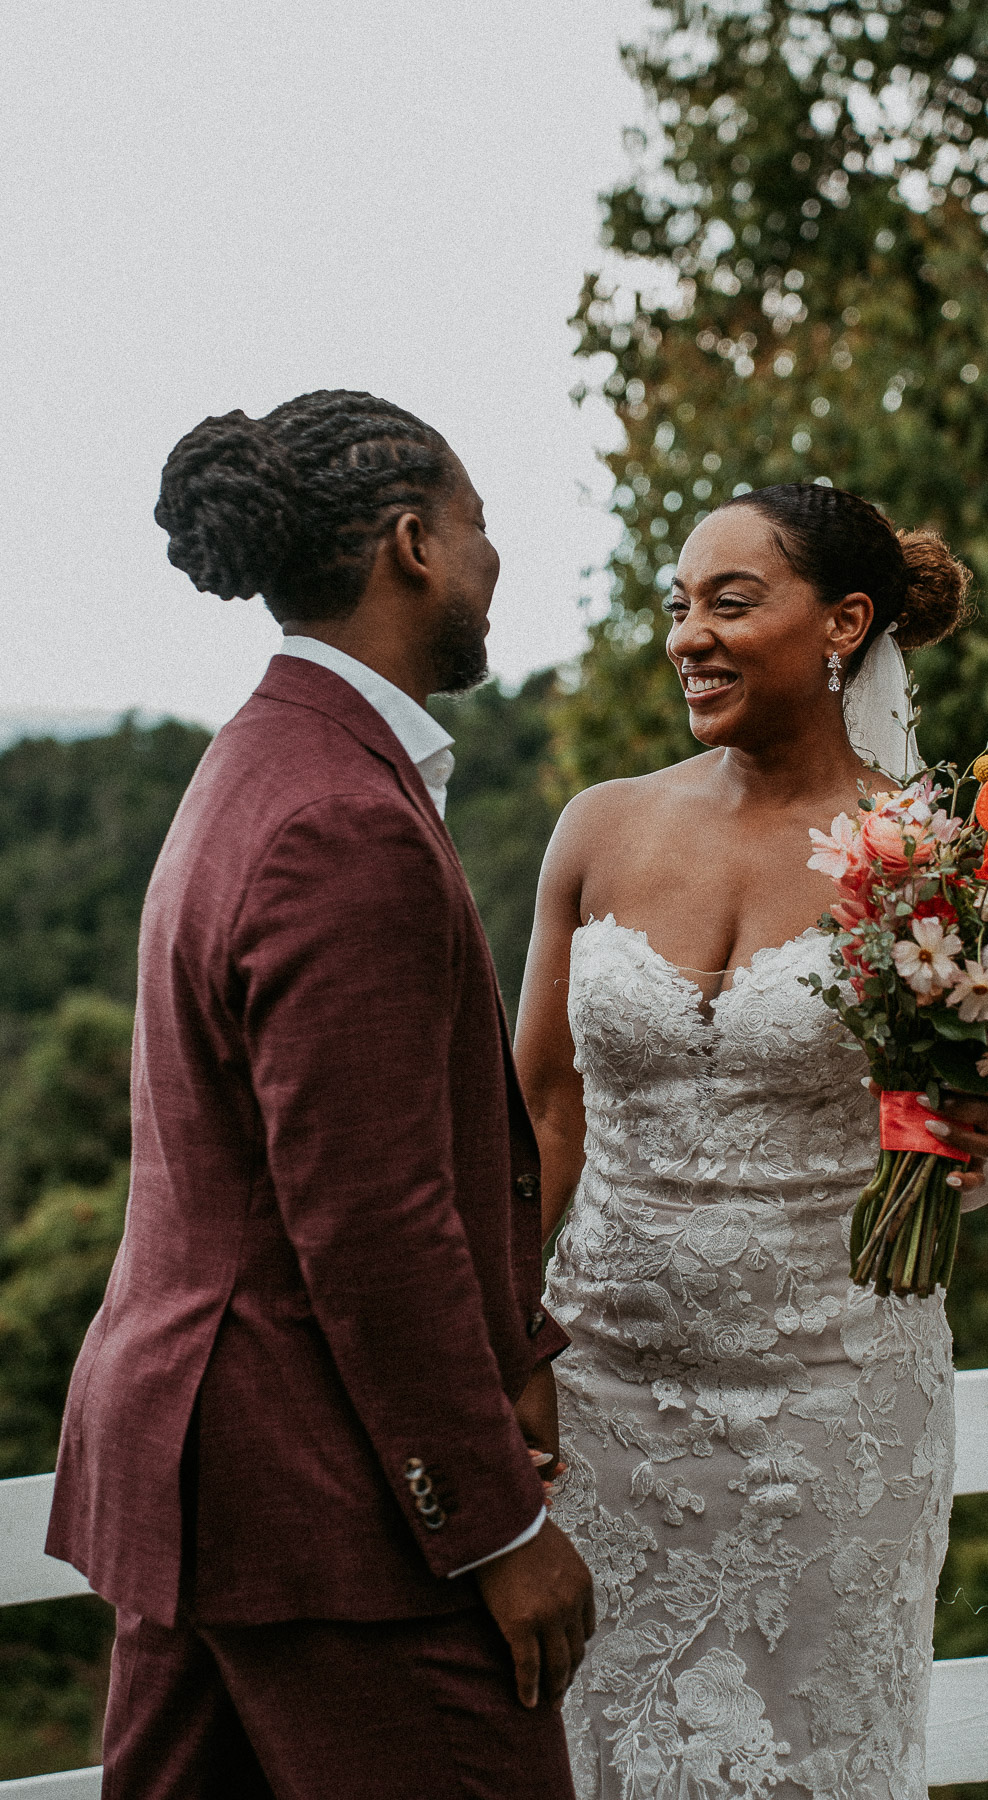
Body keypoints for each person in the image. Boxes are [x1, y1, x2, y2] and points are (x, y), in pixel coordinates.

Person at [46, 389, 593, 1800]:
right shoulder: (342, 817)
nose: (493, 561)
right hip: (317, 1507)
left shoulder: (258, 758)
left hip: (203, 1481)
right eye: (481, 527)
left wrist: (514, 1339)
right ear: (412, 544)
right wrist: (493, 1528)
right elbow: (372, 1219)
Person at [514, 482, 988, 1799]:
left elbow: (977, 1137)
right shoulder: (601, 829)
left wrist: (972, 1144)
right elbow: (542, 1108)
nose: (689, 634)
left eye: (730, 602)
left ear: (845, 622)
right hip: (600, 1394)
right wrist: (499, 1340)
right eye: (679, 605)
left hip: (834, 1408)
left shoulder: (934, 856)